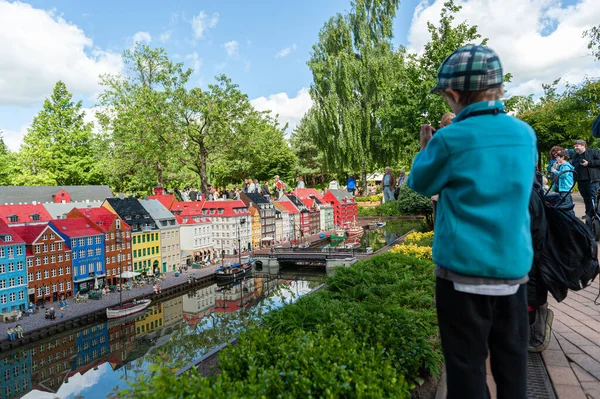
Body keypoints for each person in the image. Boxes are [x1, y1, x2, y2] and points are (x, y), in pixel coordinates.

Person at [408, 45, 537, 399]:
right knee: (513, 368)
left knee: (466, 369)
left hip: (461, 275)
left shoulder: (450, 139)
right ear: (499, 88)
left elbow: (420, 183)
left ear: (453, 94)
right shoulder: (525, 135)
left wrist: (425, 148)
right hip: (512, 274)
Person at [571, 139, 600, 218]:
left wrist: (589, 163)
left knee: (594, 197)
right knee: (586, 198)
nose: (575, 147)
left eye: (577, 145)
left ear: (583, 145)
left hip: (593, 180)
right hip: (581, 181)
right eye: (575, 146)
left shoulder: (593, 152)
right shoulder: (575, 157)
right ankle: (588, 214)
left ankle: (596, 214)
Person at [550, 150, 576, 215]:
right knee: (567, 203)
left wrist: (555, 171)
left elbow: (564, 175)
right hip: (563, 188)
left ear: (562, 157)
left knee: (566, 204)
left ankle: (570, 218)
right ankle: (571, 217)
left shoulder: (566, 166)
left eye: (558, 157)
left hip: (565, 188)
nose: (556, 159)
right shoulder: (562, 165)